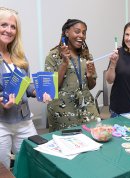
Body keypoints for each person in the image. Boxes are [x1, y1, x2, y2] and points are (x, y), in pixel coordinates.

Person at [0, 7, 50, 169]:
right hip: (1, 123)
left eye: (13, 27)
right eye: (4, 25)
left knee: (34, 163)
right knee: (4, 169)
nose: (8, 30)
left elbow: (27, 85)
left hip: (24, 120)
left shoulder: (19, 56)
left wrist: (39, 92)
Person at [44, 19, 99, 132]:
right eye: (77, 31)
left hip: (86, 108)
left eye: (84, 32)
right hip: (63, 111)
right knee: (69, 145)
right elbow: (51, 89)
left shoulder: (87, 56)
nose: (81, 35)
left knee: (95, 137)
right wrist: (64, 63)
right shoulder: (53, 56)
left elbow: (91, 86)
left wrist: (89, 76)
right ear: (67, 32)